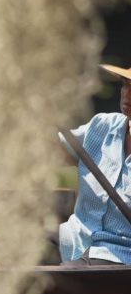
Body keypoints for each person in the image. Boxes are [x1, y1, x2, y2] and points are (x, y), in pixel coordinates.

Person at [59, 63, 131, 266]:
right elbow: (52, 153)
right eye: (126, 85)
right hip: (74, 240)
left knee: (64, 276)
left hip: (119, 255)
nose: (128, 94)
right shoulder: (102, 126)